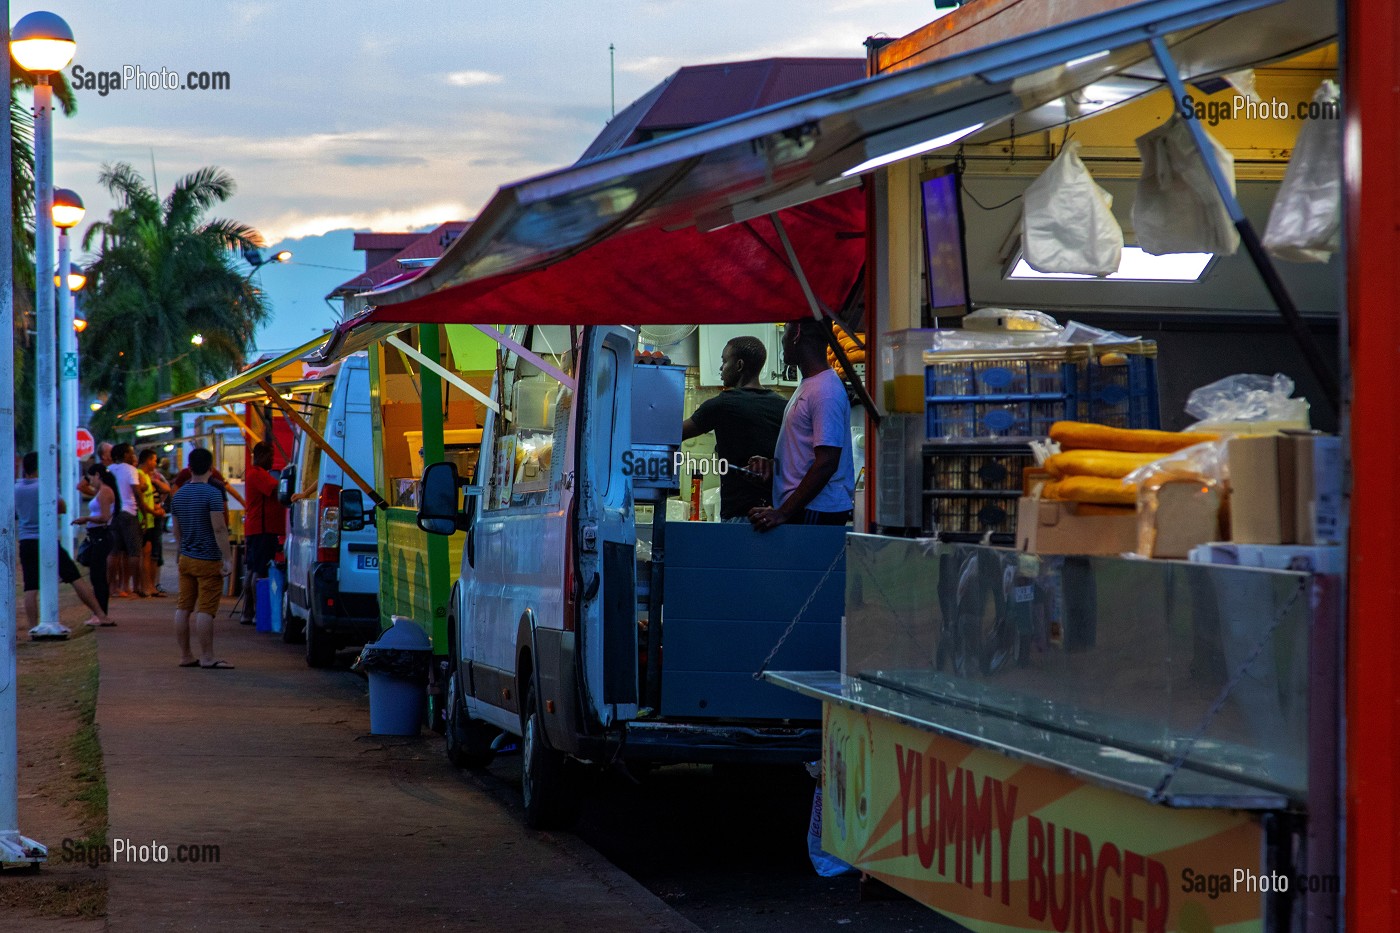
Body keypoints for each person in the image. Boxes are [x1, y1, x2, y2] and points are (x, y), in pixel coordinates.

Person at [747, 318, 855, 531]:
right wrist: (773, 465)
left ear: (796, 333)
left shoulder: (825, 391)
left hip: (817, 510)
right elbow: (808, 456)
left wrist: (783, 512)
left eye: (785, 330)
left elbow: (827, 462)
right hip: (805, 509)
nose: (783, 341)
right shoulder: (810, 385)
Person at [681, 336, 787, 521]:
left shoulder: (723, 404)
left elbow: (675, 433)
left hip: (740, 515)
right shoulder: (783, 405)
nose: (721, 368)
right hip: (774, 515)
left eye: (724, 361)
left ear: (739, 365)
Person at [15, 451, 114, 628]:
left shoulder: (17, 488)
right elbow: (61, 507)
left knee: (30, 586)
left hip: (26, 540)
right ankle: (100, 614)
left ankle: (32, 627)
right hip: (47, 540)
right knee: (74, 577)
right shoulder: (45, 486)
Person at [170, 446, 235, 669]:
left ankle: (185, 655)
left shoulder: (178, 496)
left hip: (186, 558)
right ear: (211, 467)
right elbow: (219, 529)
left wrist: (181, 552)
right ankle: (207, 657)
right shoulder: (213, 494)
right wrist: (227, 558)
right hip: (208, 559)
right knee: (206, 609)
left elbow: (176, 530)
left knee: (183, 607)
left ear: (189, 468)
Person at [240, 441, 285, 624]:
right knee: (259, 571)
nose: (272, 461)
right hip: (261, 529)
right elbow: (275, 487)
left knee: (252, 570)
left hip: (258, 529)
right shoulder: (257, 474)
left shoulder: (256, 474)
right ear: (261, 456)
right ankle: (258, 613)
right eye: (271, 456)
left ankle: (249, 612)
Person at [71, 461, 118, 621]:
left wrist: (86, 518)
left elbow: (105, 517)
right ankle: (100, 613)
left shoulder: (104, 492)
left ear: (98, 475)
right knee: (96, 575)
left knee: (98, 576)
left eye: (91, 478)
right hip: (97, 535)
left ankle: (101, 613)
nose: (90, 481)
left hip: (101, 535)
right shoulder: (101, 491)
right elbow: (82, 486)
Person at [108, 442, 149, 597]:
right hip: (129, 513)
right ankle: (132, 587)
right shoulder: (131, 470)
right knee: (134, 551)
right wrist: (143, 515)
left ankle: (112, 587)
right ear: (125, 455)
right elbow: (137, 493)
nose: (133, 456)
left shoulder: (110, 469)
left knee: (114, 552)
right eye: (131, 453)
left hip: (113, 514)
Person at [138, 448, 171, 596]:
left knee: (151, 553)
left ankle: (150, 585)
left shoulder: (152, 476)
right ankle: (145, 586)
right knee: (145, 554)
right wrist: (151, 512)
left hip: (151, 517)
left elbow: (166, 489)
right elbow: (140, 499)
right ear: (147, 460)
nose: (155, 463)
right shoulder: (139, 475)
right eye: (154, 459)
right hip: (144, 517)